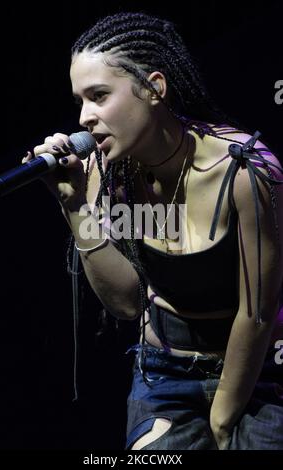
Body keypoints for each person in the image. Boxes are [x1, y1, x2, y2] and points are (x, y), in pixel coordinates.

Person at [23, 12, 283, 450]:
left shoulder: (244, 172)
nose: (85, 117)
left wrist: (221, 421)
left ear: (154, 88)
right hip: (164, 373)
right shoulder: (113, 176)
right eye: (79, 102)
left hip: (258, 371)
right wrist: (74, 205)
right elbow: (126, 303)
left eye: (99, 96)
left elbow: (256, 314)